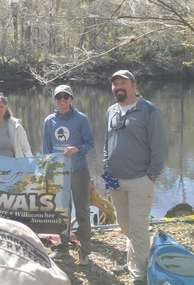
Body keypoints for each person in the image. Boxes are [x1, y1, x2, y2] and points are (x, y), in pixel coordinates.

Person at [104, 70, 168, 284]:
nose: (119, 87)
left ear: (133, 84)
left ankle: (140, 275)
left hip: (140, 179)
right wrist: (106, 168)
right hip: (115, 180)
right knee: (125, 225)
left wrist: (151, 175)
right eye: (115, 84)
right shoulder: (111, 111)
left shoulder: (148, 110)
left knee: (138, 227)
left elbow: (159, 147)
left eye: (123, 82)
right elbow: (107, 144)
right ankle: (134, 261)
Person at [42, 85, 94, 266]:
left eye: (66, 96)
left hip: (79, 171)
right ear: (54, 100)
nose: (62, 100)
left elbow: (90, 143)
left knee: (82, 212)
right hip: (59, 173)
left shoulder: (81, 119)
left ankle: (85, 251)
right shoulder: (49, 121)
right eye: (58, 97)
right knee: (62, 213)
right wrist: (47, 171)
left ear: (71, 98)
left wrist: (77, 149)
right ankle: (62, 248)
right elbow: (46, 150)